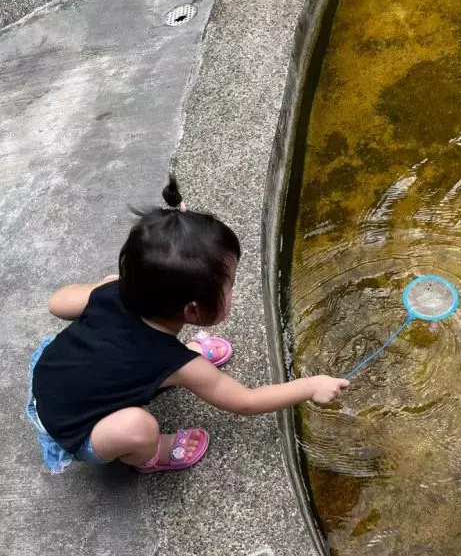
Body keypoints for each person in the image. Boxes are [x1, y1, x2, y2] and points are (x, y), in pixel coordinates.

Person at [26, 176, 348, 474]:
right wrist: (310, 386)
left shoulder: (114, 289)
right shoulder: (180, 365)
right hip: (71, 426)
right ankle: (152, 455)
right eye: (230, 285)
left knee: (113, 307)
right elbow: (245, 401)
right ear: (192, 311)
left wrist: (112, 285)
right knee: (139, 428)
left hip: (51, 375)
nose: (233, 289)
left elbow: (57, 302)